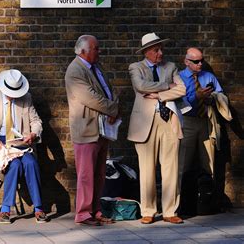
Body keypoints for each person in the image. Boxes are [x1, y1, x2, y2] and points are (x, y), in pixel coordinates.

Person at [127, 32, 186, 224]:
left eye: (161, 49)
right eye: (156, 50)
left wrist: (161, 95)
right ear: (146, 52)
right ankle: (148, 211)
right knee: (147, 169)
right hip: (145, 123)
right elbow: (141, 86)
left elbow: (182, 89)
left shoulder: (171, 66)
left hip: (169, 120)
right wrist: (167, 86)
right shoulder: (136, 67)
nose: (160, 53)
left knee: (171, 168)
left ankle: (170, 211)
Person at [0, 69, 48, 224]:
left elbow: (36, 121)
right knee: (13, 165)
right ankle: (6, 209)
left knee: (31, 163)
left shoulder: (26, 98)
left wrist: (33, 134)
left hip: (19, 142)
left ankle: (39, 207)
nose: (14, 96)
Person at [64, 35, 119, 226]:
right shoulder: (75, 71)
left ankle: (95, 210)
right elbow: (91, 98)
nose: (99, 51)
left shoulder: (95, 67)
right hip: (86, 130)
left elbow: (108, 90)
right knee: (86, 175)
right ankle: (83, 213)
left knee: (99, 174)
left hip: (101, 128)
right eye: (96, 48)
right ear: (83, 51)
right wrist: (113, 109)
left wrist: (113, 106)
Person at [178, 48, 224, 187]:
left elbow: (221, 96)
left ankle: (208, 198)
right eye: (196, 61)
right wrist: (197, 96)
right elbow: (179, 102)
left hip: (206, 121)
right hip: (187, 121)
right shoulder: (178, 78)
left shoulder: (208, 76)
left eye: (201, 61)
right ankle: (181, 200)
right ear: (186, 62)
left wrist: (212, 98)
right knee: (183, 162)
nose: (200, 64)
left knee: (208, 161)